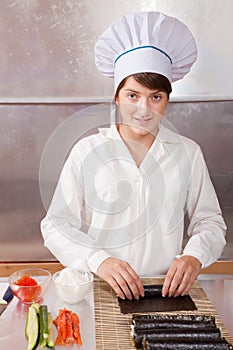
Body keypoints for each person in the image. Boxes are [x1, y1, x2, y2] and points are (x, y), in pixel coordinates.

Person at [41, 11, 226, 300]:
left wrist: (194, 256)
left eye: (156, 97)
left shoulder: (188, 153)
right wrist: (99, 260)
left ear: (167, 99)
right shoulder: (87, 151)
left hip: (166, 295)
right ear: (116, 96)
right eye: (132, 95)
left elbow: (210, 222)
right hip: (101, 292)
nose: (144, 109)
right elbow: (56, 225)